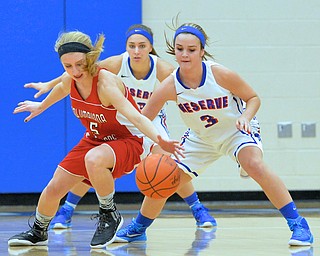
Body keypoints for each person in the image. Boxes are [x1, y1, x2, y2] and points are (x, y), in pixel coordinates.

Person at [114, 22, 314, 246]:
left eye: (191, 49)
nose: (185, 54)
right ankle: (139, 227)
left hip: (235, 130)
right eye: (180, 49)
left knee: (254, 164)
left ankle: (298, 224)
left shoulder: (218, 74)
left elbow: (253, 98)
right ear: (174, 50)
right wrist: (157, 141)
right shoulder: (170, 85)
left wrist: (245, 117)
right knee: (164, 177)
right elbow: (143, 118)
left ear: (201, 51)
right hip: (201, 137)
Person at [25, 24, 217, 231]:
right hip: (118, 119)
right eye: (131, 46)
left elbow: (184, 90)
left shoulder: (163, 69)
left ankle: (196, 207)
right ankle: (67, 209)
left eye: (142, 46)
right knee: (90, 164)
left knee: (167, 166)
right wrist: (48, 85)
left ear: (150, 47)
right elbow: (75, 72)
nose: (136, 51)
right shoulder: (116, 63)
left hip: (147, 121)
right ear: (125, 47)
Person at [8, 30, 183, 248]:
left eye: (79, 64)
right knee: (55, 187)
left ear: (89, 58)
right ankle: (39, 230)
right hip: (97, 139)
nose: (74, 71)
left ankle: (109, 213)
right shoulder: (69, 79)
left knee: (93, 159)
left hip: (130, 139)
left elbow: (136, 117)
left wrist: (160, 140)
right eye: (67, 66)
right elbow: (61, 88)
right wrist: (41, 106)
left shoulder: (105, 84)